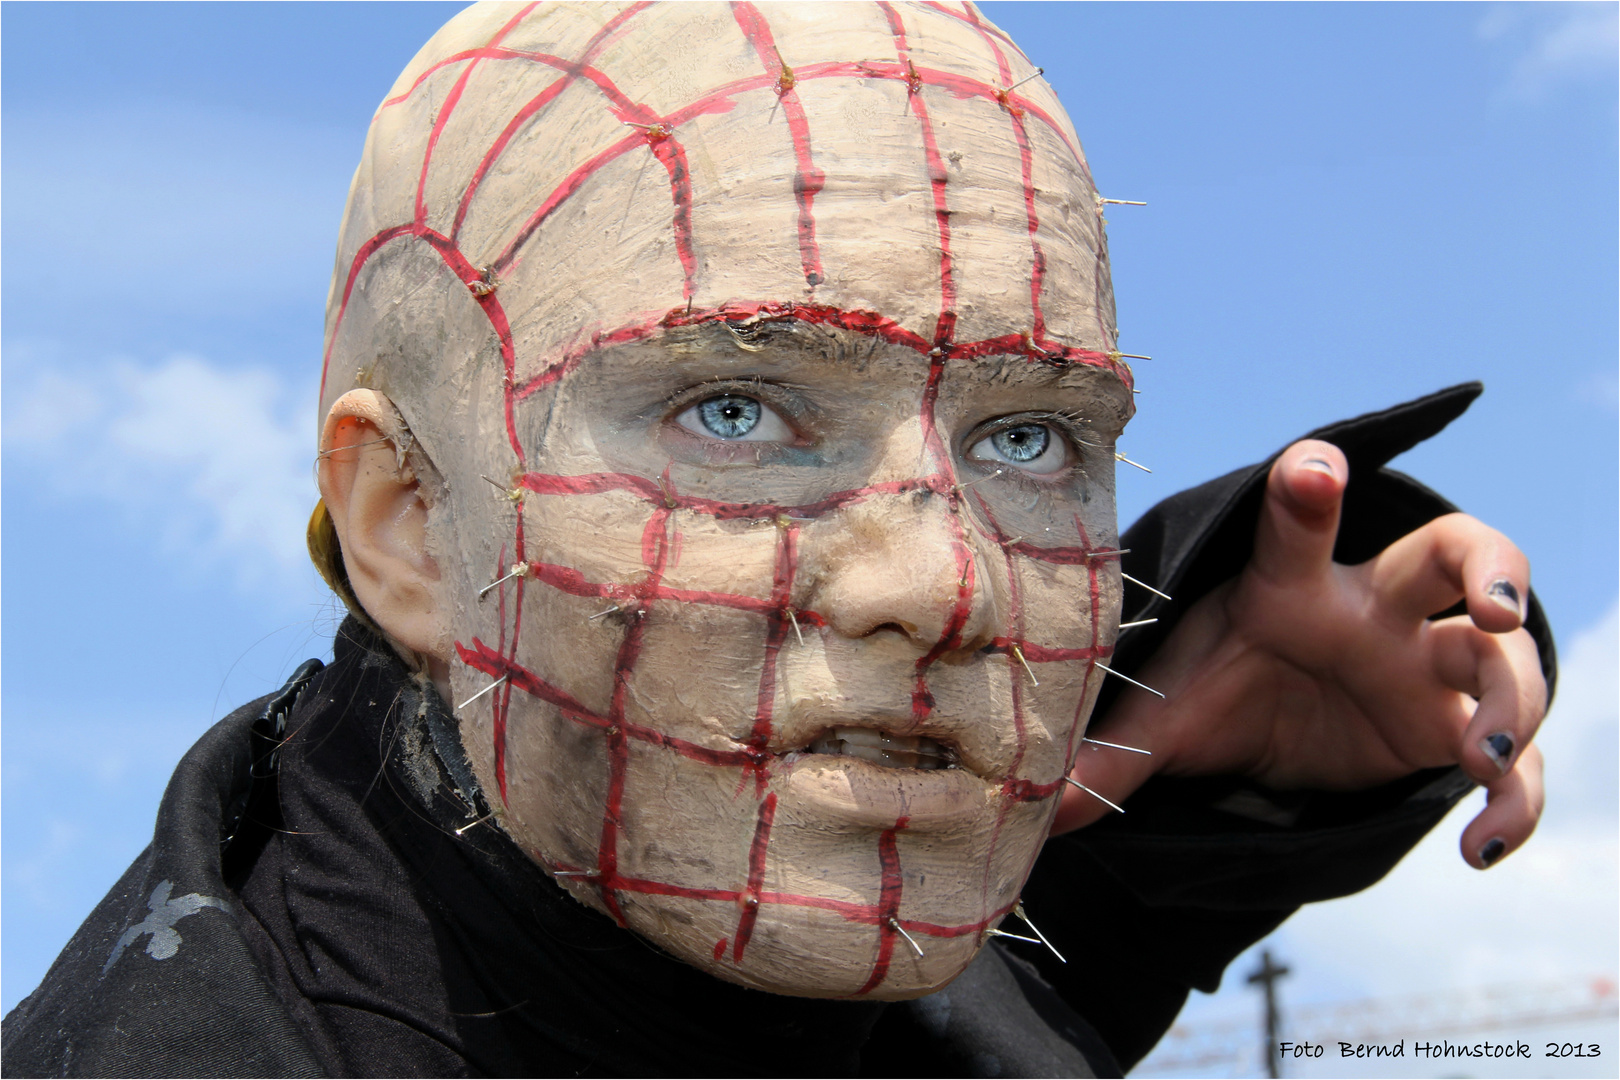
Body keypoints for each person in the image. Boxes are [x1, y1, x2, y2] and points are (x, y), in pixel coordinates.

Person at [2, 3, 1552, 1076]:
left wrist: (1239, 780)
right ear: (408, 522)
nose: (946, 585)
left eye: (1030, 438)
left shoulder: (783, 952)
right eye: (734, 410)